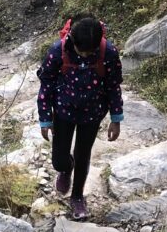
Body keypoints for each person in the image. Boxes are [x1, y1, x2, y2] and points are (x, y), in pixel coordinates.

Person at [37, 15, 123, 221]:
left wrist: (116, 118)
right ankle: (66, 169)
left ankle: (77, 198)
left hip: (92, 114)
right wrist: (45, 118)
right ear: (72, 41)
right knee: (59, 159)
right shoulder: (58, 51)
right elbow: (46, 84)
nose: (85, 55)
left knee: (83, 154)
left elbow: (113, 86)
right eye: (81, 51)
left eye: (90, 52)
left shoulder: (108, 53)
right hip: (63, 111)